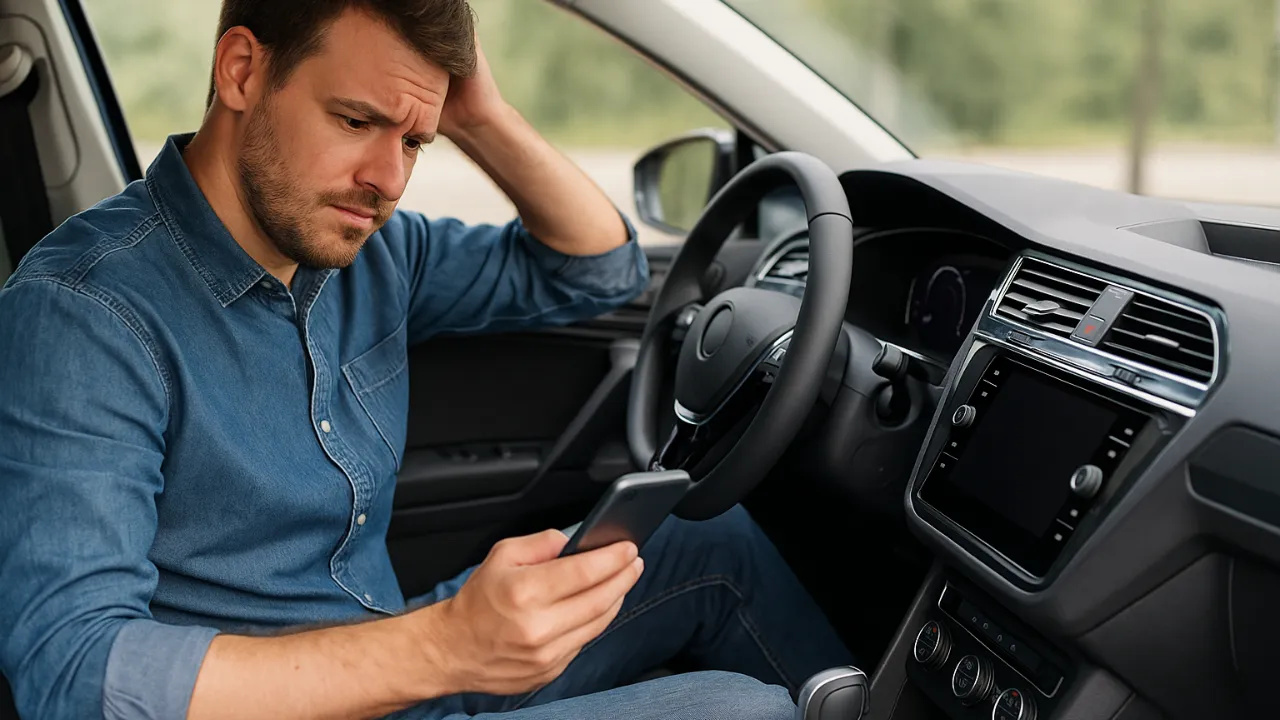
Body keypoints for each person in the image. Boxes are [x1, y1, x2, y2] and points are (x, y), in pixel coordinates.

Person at [0, 1, 853, 718]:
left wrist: (474, 110)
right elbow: (70, 671)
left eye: (416, 143)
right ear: (242, 71)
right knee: (741, 712)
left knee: (714, 542)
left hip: (395, 660)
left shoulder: (368, 249)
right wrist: (445, 646)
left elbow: (598, 268)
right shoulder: (86, 312)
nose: (387, 178)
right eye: (357, 120)